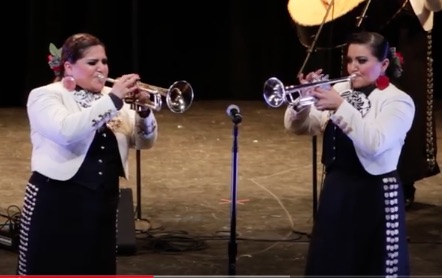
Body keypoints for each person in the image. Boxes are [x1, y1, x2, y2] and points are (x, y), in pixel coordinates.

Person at [17, 33, 158, 275]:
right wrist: (114, 98)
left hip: (102, 201)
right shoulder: (46, 95)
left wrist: (144, 111)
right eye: (92, 63)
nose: (101, 69)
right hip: (57, 200)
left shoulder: (112, 99)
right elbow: (66, 131)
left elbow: (143, 142)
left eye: (104, 61)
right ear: (69, 67)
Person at [284, 31, 414, 276]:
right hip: (337, 188)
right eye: (350, 60)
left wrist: (340, 106)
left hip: (374, 193)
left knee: (372, 265)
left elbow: (375, 143)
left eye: (362, 61)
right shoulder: (340, 89)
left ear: (383, 64)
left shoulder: (398, 101)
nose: (353, 67)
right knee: (332, 261)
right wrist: (302, 102)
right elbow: (300, 126)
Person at [380, 0, 442, 208]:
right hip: (374, 24)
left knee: (408, 102)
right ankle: (369, 179)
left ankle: (404, 180)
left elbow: (436, 6)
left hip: (410, 30)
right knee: (372, 98)